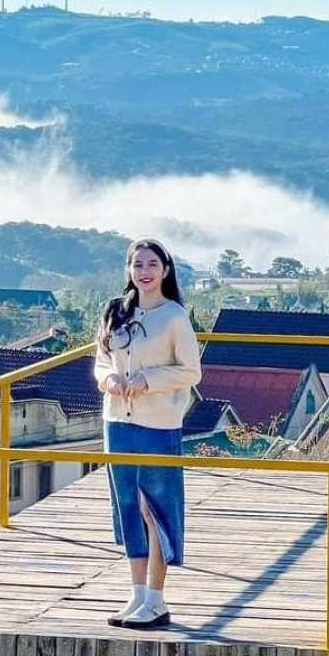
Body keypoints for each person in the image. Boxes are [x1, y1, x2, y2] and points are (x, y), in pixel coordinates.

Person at [94, 238, 201, 629]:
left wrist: (147, 380)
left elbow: (191, 371)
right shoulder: (114, 312)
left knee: (154, 508)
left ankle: (157, 598)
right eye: (137, 264)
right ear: (129, 270)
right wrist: (108, 380)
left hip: (158, 425)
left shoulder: (174, 317)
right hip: (118, 422)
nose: (144, 271)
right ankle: (137, 594)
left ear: (165, 270)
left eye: (152, 264)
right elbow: (101, 360)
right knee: (126, 508)